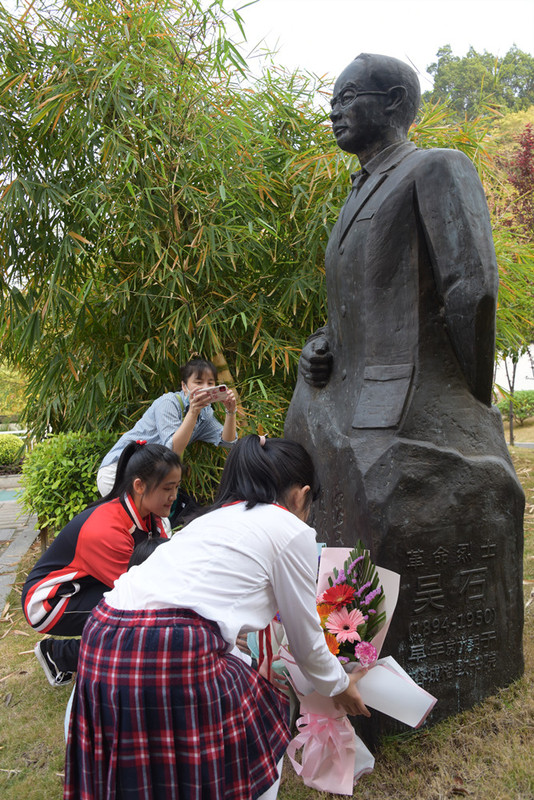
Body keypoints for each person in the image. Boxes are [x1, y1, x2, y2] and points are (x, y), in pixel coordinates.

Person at [285, 53, 524, 727]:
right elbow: (361, 300)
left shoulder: (435, 167)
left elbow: (471, 288)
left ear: (392, 102)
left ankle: (379, 683)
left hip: (412, 404)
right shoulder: (358, 190)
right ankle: (344, 668)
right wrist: (326, 344)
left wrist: (470, 403)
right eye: (332, 98)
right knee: (327, 521)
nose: (333, 109)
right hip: (345, 397)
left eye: (347, 97)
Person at [64, 435, 370, 800]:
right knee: (259, 726)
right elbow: (307, 644)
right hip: (170, 648)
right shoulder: (292, 530)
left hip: (101, 637)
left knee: (142, 769)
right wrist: (340, 685)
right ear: (301, 496)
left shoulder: (210, 519)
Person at [22, 442, 181, 687]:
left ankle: (58, 653)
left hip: (83, 588)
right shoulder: (107, 529)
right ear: (139, 486)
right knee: (137, 618)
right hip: (49, 602)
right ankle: (62, 654)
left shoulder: (151, 518)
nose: (174, 496)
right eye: (167, 488)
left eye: (177, 487)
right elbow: (141, 593)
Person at [96, 358, 237, 497]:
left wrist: (230, 411)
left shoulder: (205, 414)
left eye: (210, 383)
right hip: (119, 472)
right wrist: (193, 412)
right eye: (198, 382)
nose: (205, 388)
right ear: (184, 386)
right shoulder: (168, 403)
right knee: (133, 519)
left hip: (149, 479)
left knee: (156, 520)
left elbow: (227, 442)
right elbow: (172, 449)